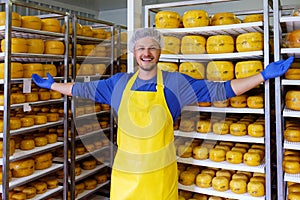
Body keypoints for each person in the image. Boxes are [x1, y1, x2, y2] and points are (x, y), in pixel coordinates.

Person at [32, 28, 294, 199]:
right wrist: (52, 85)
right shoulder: (117, 83)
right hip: (125, 177)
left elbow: (222, 89)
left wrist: (261, 76)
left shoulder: (176, 83)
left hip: (160, 177)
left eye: (152, 48)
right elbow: (82, 89)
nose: (146, 53)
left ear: (159, 52)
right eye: (141, 49)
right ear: (134, 53)